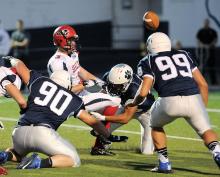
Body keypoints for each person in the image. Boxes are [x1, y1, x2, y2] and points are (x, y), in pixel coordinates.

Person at [0, 56, 122, 169]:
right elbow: (92, 121)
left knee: (17, 153)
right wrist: (107, 135)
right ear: (68, 84)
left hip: (19, 132)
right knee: (73, 159)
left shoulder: (39, 80)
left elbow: (21, 67)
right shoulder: (73, 99)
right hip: (44, 134)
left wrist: (14, 60)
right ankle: (38, 163)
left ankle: (5, 156)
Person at [128, 32, 220, 173]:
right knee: (205, 130)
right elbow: (203, 84)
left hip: (169, 101)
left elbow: (143, 92)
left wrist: (134, 103)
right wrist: (202, 108)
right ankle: (217, 152)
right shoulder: (184, 54)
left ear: (150, 46)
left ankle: (164, 163)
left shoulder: (147, 60)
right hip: (194, 98)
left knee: (155, 124)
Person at [47, 25, 128, 155]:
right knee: (115, 100)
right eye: (71, 40)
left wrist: (99, 82)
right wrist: (84, 85)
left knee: (114, 106)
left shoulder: (71, 55)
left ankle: (98, 145)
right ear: (62, 41)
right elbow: (62, 92)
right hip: (71, 101)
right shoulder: (57, 63)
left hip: (81, 95)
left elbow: (79, 71)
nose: (74, 42)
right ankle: (100, 133)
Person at [90, 63, 155, 155]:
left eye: (118, 86)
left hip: (146, 111)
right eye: (112, 84)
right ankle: (99, 147)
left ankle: (154, 144)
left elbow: (125, 118)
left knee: (147, 152)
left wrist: (102, 118)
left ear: (127, 82)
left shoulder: (134, 90)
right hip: (126, 105)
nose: (114, 88)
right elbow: (102, 95)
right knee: (104, 129)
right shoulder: (110, 78)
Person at [196, 18, 218, 85]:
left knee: (211, 66)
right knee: (202, 67)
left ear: (209, 23)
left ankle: (213, 82)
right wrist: (203, 45)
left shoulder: (213, 31)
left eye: (207, 22)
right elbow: (197, 40)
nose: (206, 24)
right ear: (204, 23)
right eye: (205, 22)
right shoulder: (201, 31)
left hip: (211, 51)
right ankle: (202, 82)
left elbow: (215, 40)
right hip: (202, 52)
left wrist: (209, 45)